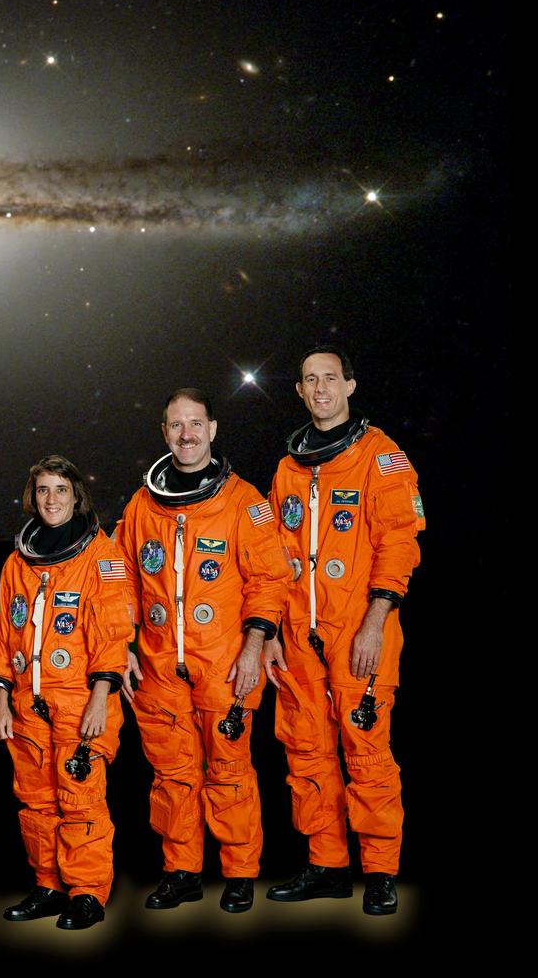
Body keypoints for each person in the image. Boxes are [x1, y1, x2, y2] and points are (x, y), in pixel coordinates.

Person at [117, 388, 291, 914]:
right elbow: (120, 577)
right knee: (172, 774)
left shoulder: (245, 501)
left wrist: (254, 644)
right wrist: (121, 643)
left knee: (230, 769)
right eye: (176, 425)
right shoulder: (142, 503)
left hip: (224, 659)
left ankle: (239, 872)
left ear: (213, 429)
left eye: (196, 423)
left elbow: (268, 578)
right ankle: (182, 870)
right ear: (164, 432)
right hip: (158, 664)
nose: (187, 434)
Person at [263, 346, 424, 916]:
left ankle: (379, 870)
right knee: (306, 750)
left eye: (330, 378)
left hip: (358, 627)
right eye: (310, 380)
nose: (321, 388)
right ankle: (327, 864)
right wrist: (276, 630)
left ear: (350, 385)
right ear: (300, 393)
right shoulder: (287, 467)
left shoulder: (381, 457)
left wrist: (375, 622)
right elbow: (276, 556)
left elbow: (400, 543)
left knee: (365, 749)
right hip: (299, 630)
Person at [0, 456, 136, 930]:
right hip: (28, 700)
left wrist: (100, 698)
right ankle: (48, 884)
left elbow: (114, 634)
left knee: (80, 798)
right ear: (34, 497)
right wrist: (0, 699)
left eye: (61, 491)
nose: (52, 500)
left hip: (80, 700)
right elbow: (3, 636)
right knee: (36, 800)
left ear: (77, 498)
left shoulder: (103, 557)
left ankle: (87, 891)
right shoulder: (17, 561)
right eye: (44, 490)